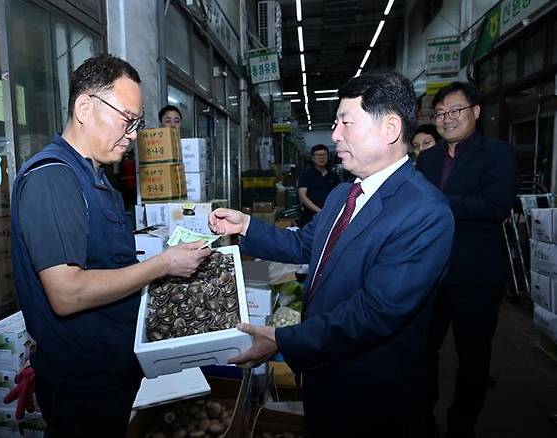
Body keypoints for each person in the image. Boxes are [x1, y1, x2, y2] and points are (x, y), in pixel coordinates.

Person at [209, 71, 455, 437]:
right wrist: (246, 226)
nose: (335, 135)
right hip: (326, 371)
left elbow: (375, 313)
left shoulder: (425, 213)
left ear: (389, 129)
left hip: (373, 391)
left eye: (345, 122)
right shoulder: (344, 194)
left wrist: (283, 339)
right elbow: (306, 245)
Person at [10, 54, 210, 437]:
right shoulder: (52, 179)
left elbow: (106, 259)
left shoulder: (98, 179)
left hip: (114, 368)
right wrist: (163, 264)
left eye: (137, 122)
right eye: (127, 119)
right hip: (83, 387)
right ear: (85, 107)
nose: (133, 133)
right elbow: (66, 293)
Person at [416, 82, 518, 438]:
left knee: (473, 357)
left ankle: (462, 425)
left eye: (454, 111)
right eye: (440, 113)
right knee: (422, 351)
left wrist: (436, 205)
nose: (446, 119)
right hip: (429, 275)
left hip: (476, 274)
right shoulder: (427, 158)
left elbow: (495, 205)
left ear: (475, 112)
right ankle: (423, 417)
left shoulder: (498, 153)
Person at [297, 144, 340, 227]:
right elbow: (302, 197)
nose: (321, 157)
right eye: (318, 155)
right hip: (310, 218)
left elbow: (339, 195)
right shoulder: (306, 174)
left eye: (324, 155)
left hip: (330, 216)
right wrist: (320, 212)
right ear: (312, 158)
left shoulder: (333, 175)